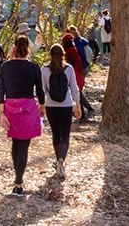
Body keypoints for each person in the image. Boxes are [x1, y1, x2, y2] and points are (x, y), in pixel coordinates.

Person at [0, 35, 44, 197]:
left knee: (15, 141)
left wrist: (1, 111)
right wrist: (42, 107)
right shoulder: (33, 67)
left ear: (14, 49)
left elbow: (1, 90)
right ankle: (18, 181)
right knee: (24, 144)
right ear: (28, 49)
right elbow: (40, 90)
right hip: (28, 106)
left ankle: (17, 174)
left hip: (10, 106)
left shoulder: (5, 66)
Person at [41, 44, 82, 179]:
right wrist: (78, 105)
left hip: (51, 106)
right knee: (65, 135)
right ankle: (61, 161)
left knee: (56, 134)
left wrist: (43, 104)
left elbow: (43, 90)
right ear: (63, 54)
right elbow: (74, 88)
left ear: (50, 55)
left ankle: (58, 160)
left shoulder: (45, 70)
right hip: (65, 106)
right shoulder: (68, 69)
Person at [61, 33, 93, 121]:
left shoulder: (69, 51)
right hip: (77, 74)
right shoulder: (73, 49)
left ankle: (82, 114)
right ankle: (85, 110)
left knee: (77, 94)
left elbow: (70, 64)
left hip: (74, 75)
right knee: (78, 93)